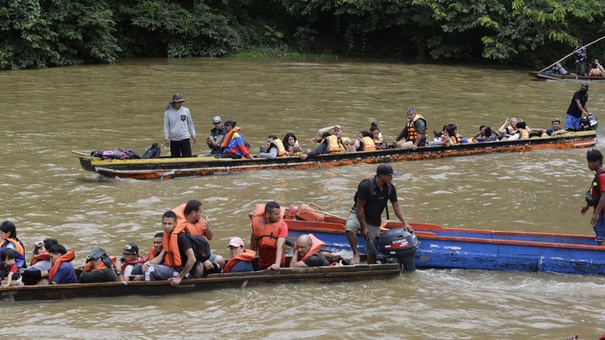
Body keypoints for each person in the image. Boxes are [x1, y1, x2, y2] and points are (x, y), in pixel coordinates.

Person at [346, 164, 414, 264]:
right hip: (359, 214)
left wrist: (405, 223)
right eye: (390, 175)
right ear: (382, 176)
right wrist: (364, 227)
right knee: (350, 228)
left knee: (372, 251)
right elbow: (360, 207)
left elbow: (396, 206)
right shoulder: (366, 186)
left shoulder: (390, 188)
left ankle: (371, 269)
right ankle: (356, 254)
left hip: (374, 219)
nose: (392, 177)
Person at [144, 211, 219, 285]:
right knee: (146, 267)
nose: (167, 226)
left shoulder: (181, 237)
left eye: (169, 223)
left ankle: (151, 295)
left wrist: (180, 277)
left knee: (149, 270)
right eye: (164, 223)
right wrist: (148, 263)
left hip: (185, 273)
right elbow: (159, 258)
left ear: (175, 223)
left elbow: (192, 258)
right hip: (174, 269)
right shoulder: (167, 237)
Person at [250, 201, 288, 270]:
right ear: (268, 214)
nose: (279, 216)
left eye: (279, 213)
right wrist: (250, 254)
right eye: (276, 214)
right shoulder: (257, 223)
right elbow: (253, 238)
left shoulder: (283, 225)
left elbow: (280, 246)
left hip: (279, 263)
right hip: (262, 263)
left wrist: (277, 264)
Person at [581, 149, 605, 246]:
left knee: (601, 238)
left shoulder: (601, 177)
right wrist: (587, 206)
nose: (588, 165)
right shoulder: (599, 175)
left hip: (603, 214)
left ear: (597, 162)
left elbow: (604, 196)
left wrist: (596, 213)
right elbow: (597, 196)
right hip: (601, 212)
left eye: (590, 162)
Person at [164, 93, 197, 157]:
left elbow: (190, 123)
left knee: (187, 157)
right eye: (179, 102)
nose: (180, 104)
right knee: (175, 159)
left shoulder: (186, 110)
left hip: (185, 138)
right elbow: (166, 126)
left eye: (181, 102)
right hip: (174, 139)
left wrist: (193, 135)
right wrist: (166, 138)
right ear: (174, 103)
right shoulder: (167, 113)